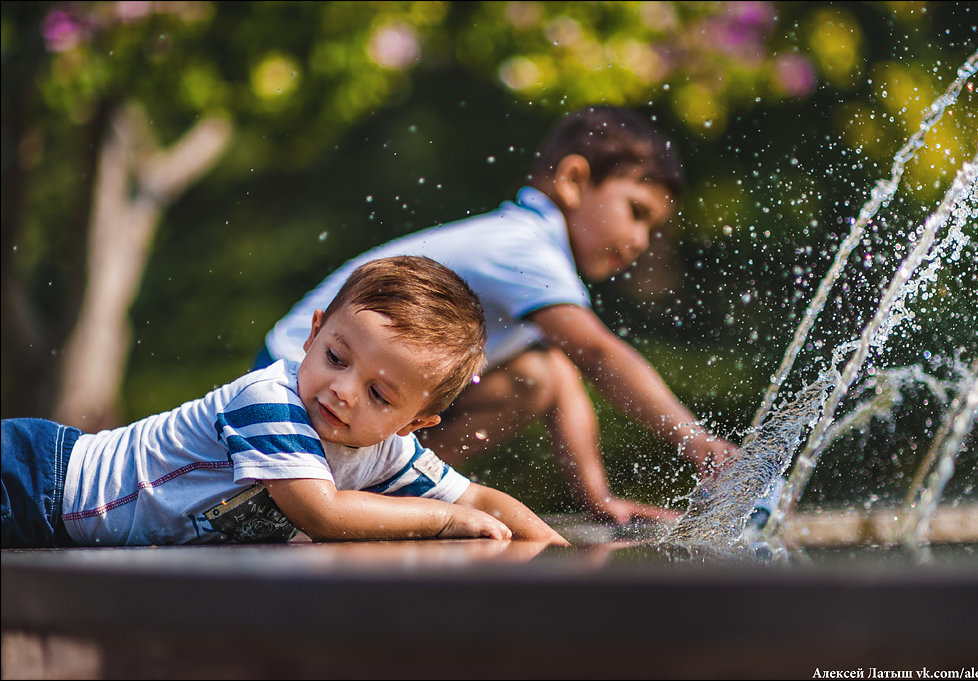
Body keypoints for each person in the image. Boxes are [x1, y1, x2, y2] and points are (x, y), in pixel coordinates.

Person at [256, 106, 742, 526]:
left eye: (651, 227)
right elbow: (597, 352)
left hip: (328, 385)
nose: (639, 241)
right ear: (574, 181)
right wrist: (695, 440)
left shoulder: (526, 251)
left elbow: (564, 377)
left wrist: (600, 501)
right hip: (292, 386)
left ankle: (378, 487)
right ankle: (377, 493)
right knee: (538, 375)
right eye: (636, 211)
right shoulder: (522, 248)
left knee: (540, 374)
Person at [2, 256, 568, 549]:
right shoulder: (271, 400)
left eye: (378, 393)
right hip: (37, 479)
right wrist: (446, 520)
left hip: (57, 520)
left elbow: (480, 497)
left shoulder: (391, 453)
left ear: (415, 422)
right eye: (337, 358)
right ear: (314, 334)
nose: (343, 390)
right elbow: (320, 513)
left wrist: (550, 548)